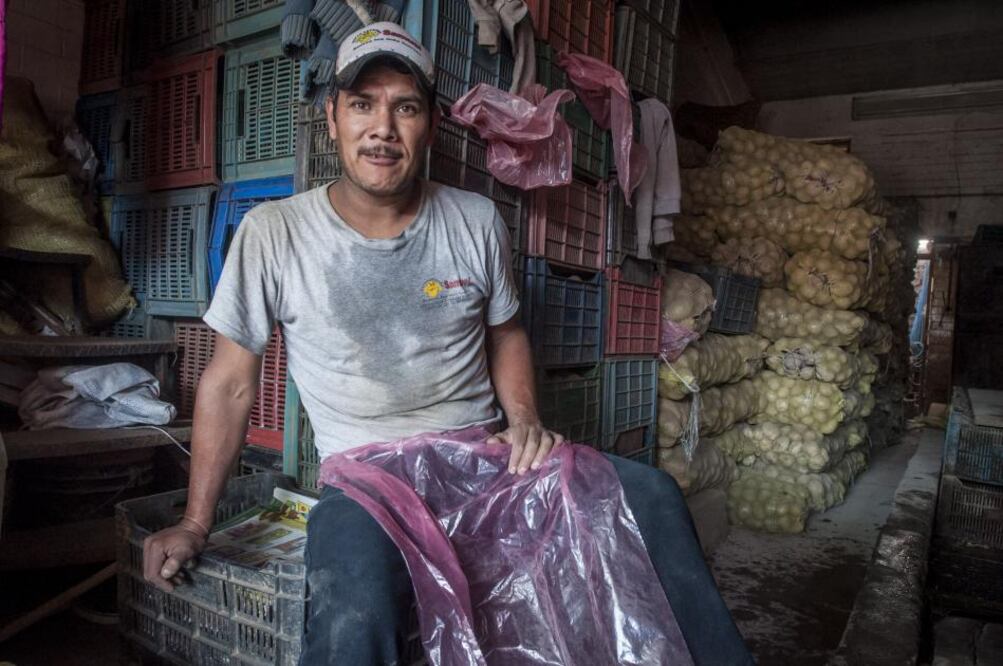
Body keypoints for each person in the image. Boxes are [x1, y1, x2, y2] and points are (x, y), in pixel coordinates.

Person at [142, 22, 753, 665]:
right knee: (355, 604)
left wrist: (524, 424)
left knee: (652, 498)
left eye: (404, 107)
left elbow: (507, 330)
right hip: (366, 476)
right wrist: (194, 522)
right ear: (333, 120)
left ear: (430, 125)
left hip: (481, 457)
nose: (383, 128)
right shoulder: (274, 233)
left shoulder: (474, 219)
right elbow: (231, 381)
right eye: (362, 105)